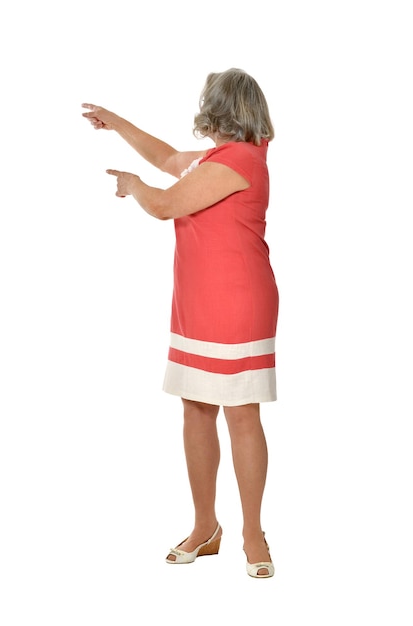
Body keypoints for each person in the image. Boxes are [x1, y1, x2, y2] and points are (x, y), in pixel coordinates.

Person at [82, 68, 279, 578]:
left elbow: (166, 203)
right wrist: (117, 122)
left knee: (240, 413)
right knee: (196, 409)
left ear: (221, 111)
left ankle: (252, 533)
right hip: (196, 303)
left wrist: (134, 187)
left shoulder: (239, 160)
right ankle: (205, 526)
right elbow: (169, 158)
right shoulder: (217, 157)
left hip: (237, 304)